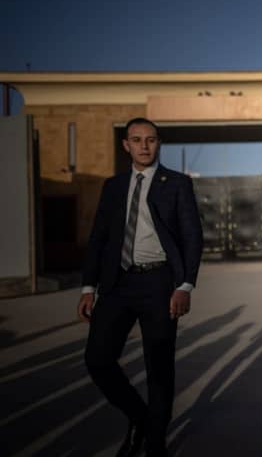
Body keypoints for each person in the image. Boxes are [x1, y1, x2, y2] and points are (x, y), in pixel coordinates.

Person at [78, 117, 203, 457]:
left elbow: (192, 236)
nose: (144, 146)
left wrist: (185, 285)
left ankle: (155, 441)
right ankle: (141, 419)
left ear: (158, 143)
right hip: (117, 284)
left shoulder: (176, 184)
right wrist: (88, 286)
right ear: (126, 145)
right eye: (137, 139)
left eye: (150, 139)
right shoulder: (113, 186)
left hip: (159, 283)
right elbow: (99, 238)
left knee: (158, 367)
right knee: (98, 359)